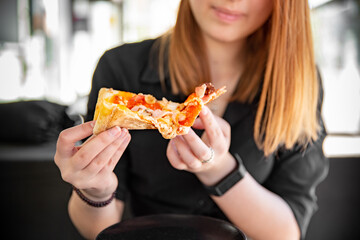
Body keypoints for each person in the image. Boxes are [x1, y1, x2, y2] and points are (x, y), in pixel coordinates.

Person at [54, 0, 329, 239]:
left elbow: (286, 232)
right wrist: (95, 190)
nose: (232, 0)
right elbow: (97, 230)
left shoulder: (299, 83)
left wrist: (218, 169)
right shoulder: (121, 67)